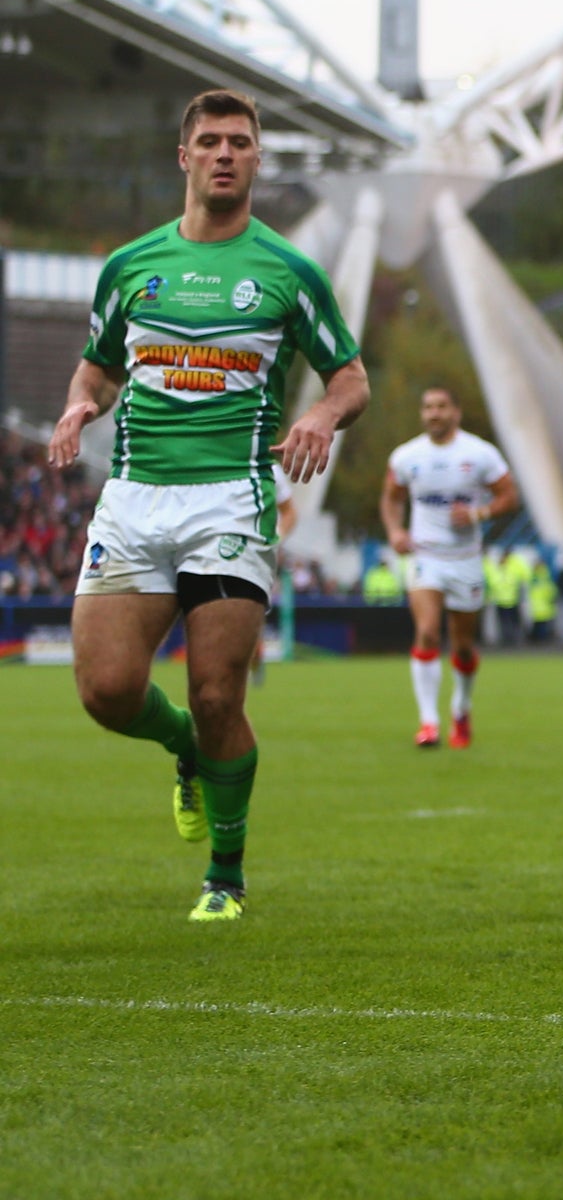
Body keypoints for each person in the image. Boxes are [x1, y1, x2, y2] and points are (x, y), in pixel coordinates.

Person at [47, 88, 369, 923]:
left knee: (221, 693)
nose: (226, 153)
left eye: (241, 142)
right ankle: (185, 749)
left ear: (258, 160)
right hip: (134, 499)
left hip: (231, 498)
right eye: (211, 141)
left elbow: (350, 377)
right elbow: (97, 365)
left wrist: (320, 414)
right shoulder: (131, 267)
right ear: (184, 158)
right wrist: (82, 402)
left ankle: (224, 876)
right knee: (106, 692)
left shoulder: (288, 272)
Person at [381, 386, 519, 749]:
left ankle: (462, 706)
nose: (433, 414)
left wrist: (477, 513)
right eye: (427, 407)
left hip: (466, 560)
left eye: (441, 406)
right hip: (426, 557)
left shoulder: (480, 454)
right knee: (426, 632)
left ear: (456, 411)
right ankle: (429, 723)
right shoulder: (407, 456)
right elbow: (391, 498)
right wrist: (396, 531)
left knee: (462, 646)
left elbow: (509, 496)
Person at [249, 465, 298, 687]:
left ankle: (253, 658)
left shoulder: (270, 469)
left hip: (256, 556)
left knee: (250, 614)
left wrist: (277, 538)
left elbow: (289, 512)